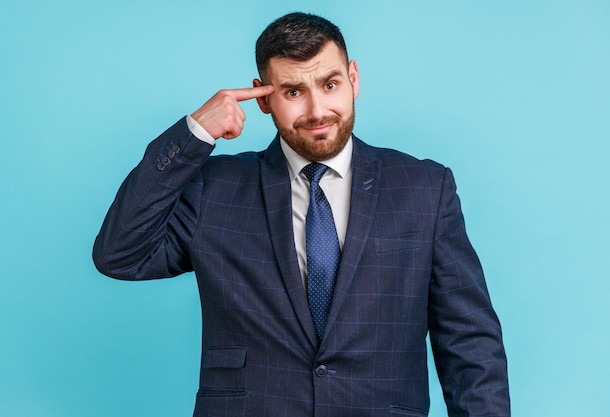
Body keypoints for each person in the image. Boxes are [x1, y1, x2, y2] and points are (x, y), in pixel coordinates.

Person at [93, 12, 510, 417]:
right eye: (293, 92)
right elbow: (120, 254)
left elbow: (469, 342)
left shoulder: (424, 189)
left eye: (329, 84)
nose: (316, 110)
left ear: (353, 79)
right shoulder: (214, 189)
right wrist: (194, 134)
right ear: (263, 97)